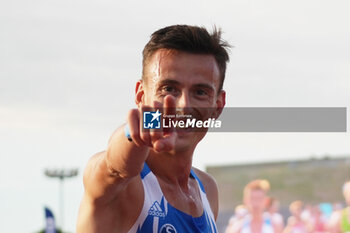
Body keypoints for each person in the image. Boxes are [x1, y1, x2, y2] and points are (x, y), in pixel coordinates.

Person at [76, 25, 230, 233]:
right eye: (169, 89)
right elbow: (116, 166)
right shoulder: (122, 186)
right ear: (141, 96)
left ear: (218, 106)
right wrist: (135, 133)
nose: (183, 106)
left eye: (200, 92)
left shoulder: (207, 189)